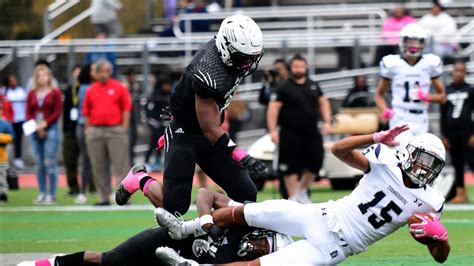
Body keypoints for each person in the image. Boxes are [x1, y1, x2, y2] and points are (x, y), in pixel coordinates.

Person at [193, 125, 451, 265]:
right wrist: (374, 136)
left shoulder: (430, 202)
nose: (426, 168)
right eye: (425, 159)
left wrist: (441, 240)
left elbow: (441, 258)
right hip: (322, 214)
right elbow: (339, 150)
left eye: (433, 165)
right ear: (409, 152)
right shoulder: (384, 162)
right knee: (250, 212)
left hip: (335, 247)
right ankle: (187, 229)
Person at [115, 15, 267, 214]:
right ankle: (139, 178)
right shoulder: (208, 72)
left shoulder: (225, 59)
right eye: (243, 57)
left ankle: (222, 235)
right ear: (226, 47)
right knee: (175, 207)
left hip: (205, 131)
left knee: (246, 193)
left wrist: (181, 102)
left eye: (251, 58)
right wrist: (244, 157)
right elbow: (209, 127)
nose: (248, 64)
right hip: (185, 134)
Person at [21, 188, 292, 266]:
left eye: (264, 252)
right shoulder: (246, 219)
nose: (257, 249)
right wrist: (207, 222)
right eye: (263, 243)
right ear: (263, 231)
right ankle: (49, 263)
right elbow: (205, 194)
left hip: (182, 263)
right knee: (108, 260)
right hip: (172, 240)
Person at [266, 54, 331, 203]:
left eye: (301, 66)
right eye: (296, 66)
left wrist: (327, 121)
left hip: (312, 132)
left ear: (306, 67)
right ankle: (293, 197)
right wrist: (273, 130)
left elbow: (324, 103)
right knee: (290, 167)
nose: (299, 69)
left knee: (316, 161)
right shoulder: (283, 87)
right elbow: (273, 109)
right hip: (290, 132)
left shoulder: (313, 85)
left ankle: (302, 191)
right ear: (291, 68)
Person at [374, 23, 446, 150]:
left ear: (423, 43)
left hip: (422, 117)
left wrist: (425, 97)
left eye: (417, 42)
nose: (413, 46)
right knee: (403, 153)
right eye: (410, 41)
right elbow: (378, 95)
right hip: (400, 116)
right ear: (403, 42)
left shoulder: (429, 63)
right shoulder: (393, 63)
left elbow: (442, 97)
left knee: (419, 157)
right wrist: (385, 110)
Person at [83, 59, 131, 206]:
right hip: (95, 131)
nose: (104, 74)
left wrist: (123, 128)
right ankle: (103, 197)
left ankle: (123, 198)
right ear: (96, 73)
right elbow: (86, 112)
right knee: (98, 166)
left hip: (115, 130)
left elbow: (126, 108)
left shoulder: (119, 87)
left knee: (120, 165)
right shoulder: (91, 89)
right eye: (101, 71)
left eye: (106, 71)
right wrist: (88, 130)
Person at [26, 65, 62, 205]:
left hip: (50, 128)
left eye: (44, 75)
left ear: (49, 77)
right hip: (35, 128)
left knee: (49, 162)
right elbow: (28, 111)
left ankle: (51, 194)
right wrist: (35, 124)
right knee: (39, 163)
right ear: (36, 77)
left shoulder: (55, 92)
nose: (42, 78)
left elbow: (57, 112)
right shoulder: (32, 93)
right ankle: (42, 192)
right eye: (39, 76)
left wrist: (45, 124)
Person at [440, 61, 473, 204]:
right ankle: (461, 193)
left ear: (465, 73)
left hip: (467, 133)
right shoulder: (447, 90)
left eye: (461, 71)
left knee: (472, 162)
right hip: (452, 134)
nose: (459, 73)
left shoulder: (471, 90)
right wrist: (444, 135)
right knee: (457, 164)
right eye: (456, 70)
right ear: (453, 72)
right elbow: (442, 114)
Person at [75, 63, 97, 204]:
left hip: (97, 126)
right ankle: (83, 190)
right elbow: (85, 110)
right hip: (85, 125)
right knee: (86, 159)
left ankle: (96, 188)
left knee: (99, 160)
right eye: (94, 70)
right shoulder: (85, 88)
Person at [145, 75, 172, 172]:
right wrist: (153, 121)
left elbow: (169, 109)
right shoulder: (155, 95)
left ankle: (162, 162)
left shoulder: (170, 95)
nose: (167, 87)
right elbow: (148, 109)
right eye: (165, 85)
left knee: (167, 144)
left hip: (167, 124)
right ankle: (147, 163)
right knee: (154, 143)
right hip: (156, 124)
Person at [62, 65, 81, 197]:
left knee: (89, 161)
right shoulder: (70, 90)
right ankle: (73, 187)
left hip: (84, 128)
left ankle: (92, 187)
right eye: (75, 72)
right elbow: (65, 110)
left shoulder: (88, 88)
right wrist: (65, 128)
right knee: (70, 161)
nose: (77, 75)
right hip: (70, 130)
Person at [2, 73, 27, 169]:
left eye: (14, 79)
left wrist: (25, 117)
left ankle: (18, 159)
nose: (13, 82)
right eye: (11, 80)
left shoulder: (21, 91)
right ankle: (5, 159)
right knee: (7, 139)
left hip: (19, 119)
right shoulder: (4, 91)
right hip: (8, 120)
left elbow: (25, 105)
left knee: (18, 139)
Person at [123, 68, 143, 166]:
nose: (133, 77)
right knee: (128, 141)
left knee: (134, 140)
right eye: (131, 75)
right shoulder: (124, 87)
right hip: (126, 117)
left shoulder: (137, 87)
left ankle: (131, 160)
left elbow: (138, 104)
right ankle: (126, 161)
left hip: (134, 117)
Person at [0, 100, 14, 203]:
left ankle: (3, 194)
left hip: (1, 155)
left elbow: (12, 137)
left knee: (2, 177)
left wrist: (1, 137)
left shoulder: (5, 124)